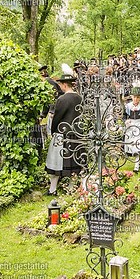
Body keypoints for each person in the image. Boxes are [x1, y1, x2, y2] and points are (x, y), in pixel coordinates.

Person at [45, 66, 84, 195]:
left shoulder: (62, 99)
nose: (60, 86)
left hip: (63, 135)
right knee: (74, 162)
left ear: (64, 85)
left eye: (61, 84)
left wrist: (52, 130)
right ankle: (71, 188)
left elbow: (57, 117)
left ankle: (53, 189)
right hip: (77, 134)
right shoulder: (79, 98)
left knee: (56, 162)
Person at [124, 85, 140, 172]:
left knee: (139, 144)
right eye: (134, 97)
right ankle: (136, 161)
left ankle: (136, 164)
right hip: (131, 125)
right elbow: (124, 116)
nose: (136, 99)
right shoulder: (128, 106)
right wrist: (126, 121)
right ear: (131, 97)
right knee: (132, 144)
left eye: (138, 97)